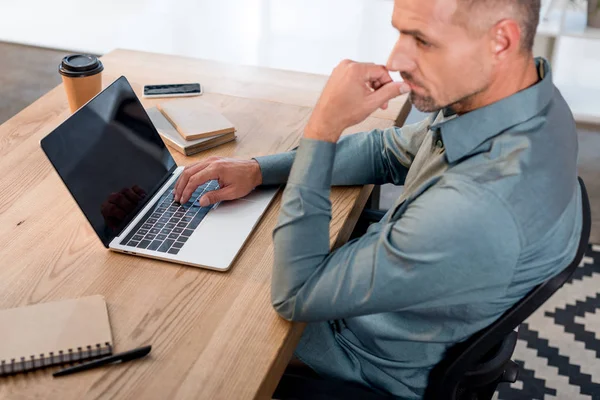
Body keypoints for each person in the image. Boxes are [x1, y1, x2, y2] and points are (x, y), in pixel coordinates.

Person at [173, 0, 582, 397]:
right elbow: (388, 151)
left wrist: (324, 127)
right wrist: (259, 170)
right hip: (387, 307)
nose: (396, 58)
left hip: (356, 361)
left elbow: (296, 294)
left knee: (181, 319)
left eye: (422, 40)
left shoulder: (477, 203)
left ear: (501, 41)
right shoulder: (524, 97)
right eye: (400, 31)